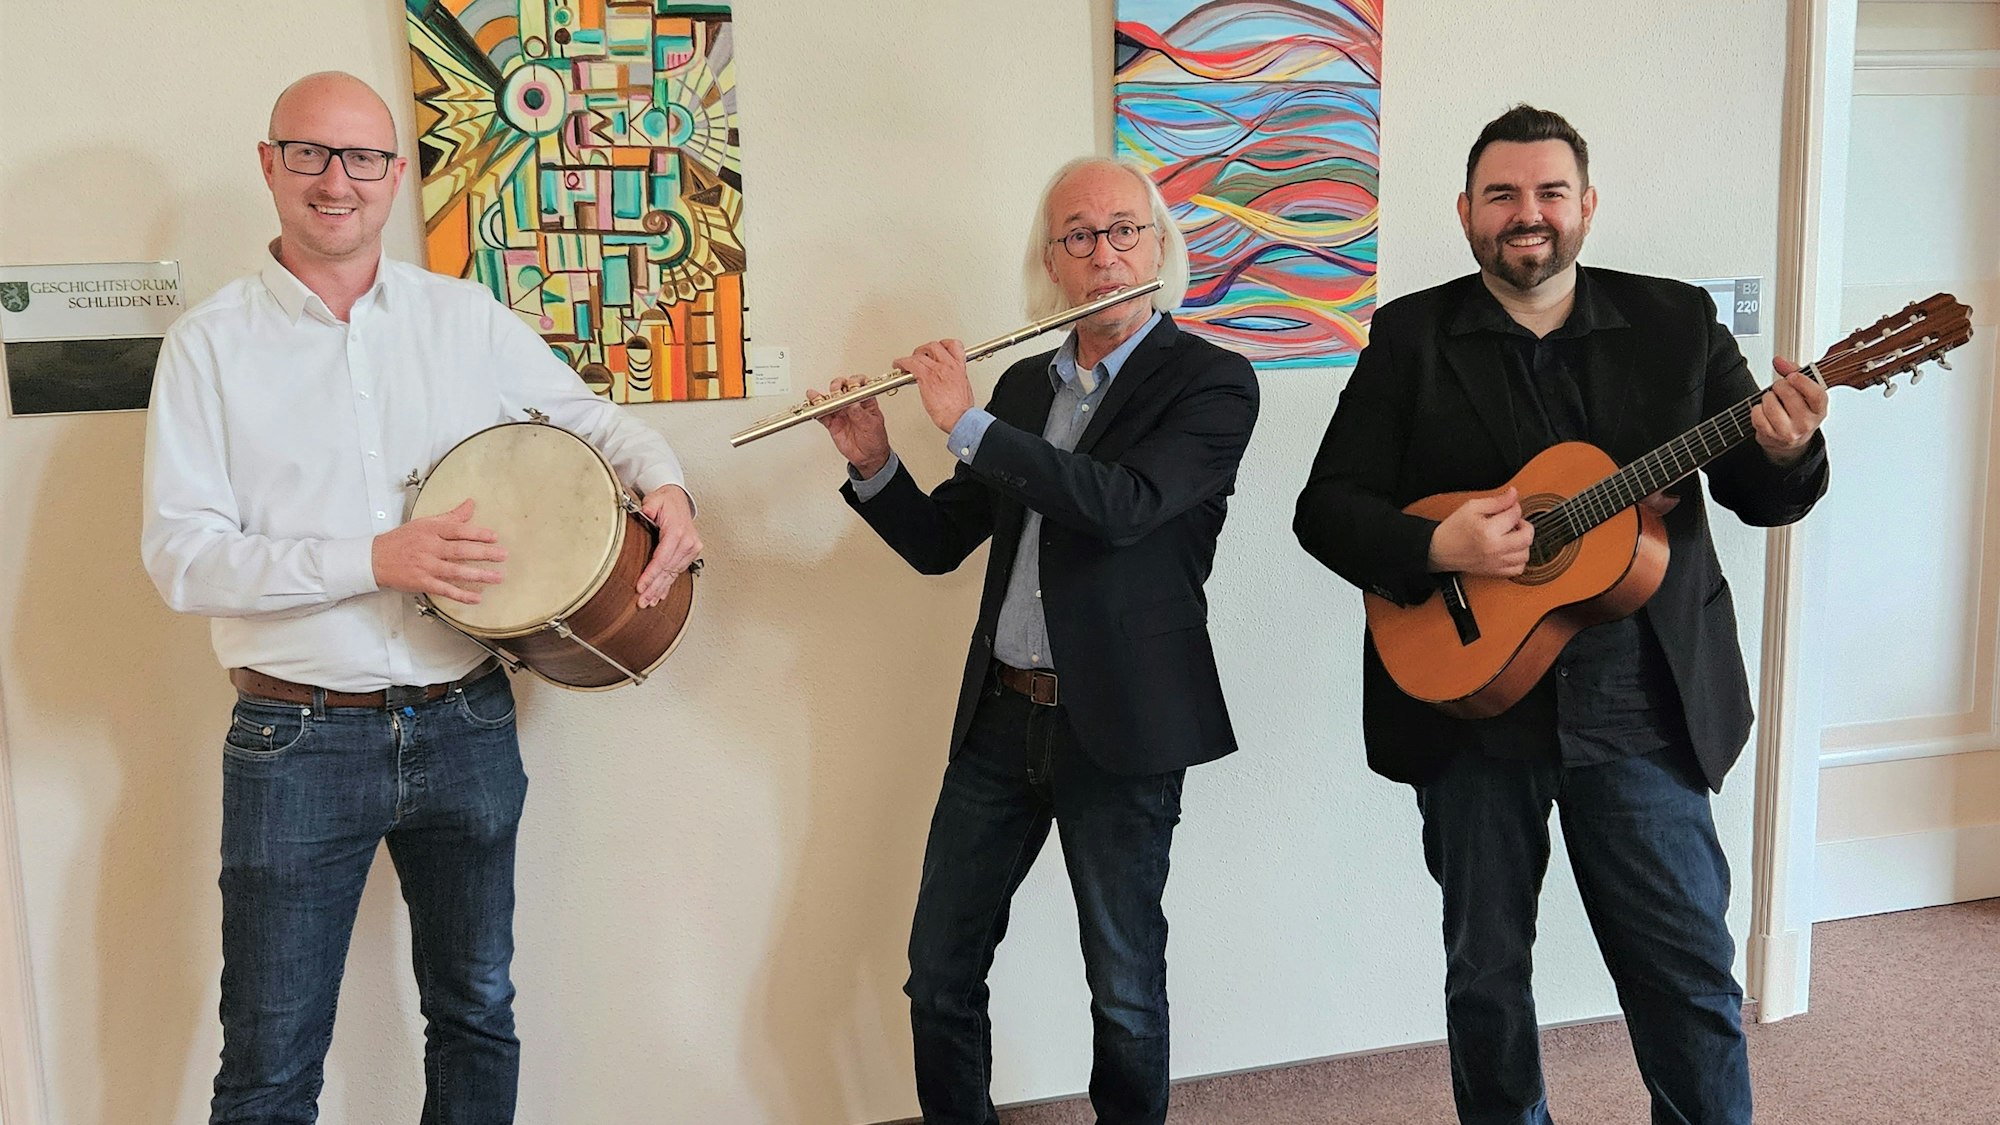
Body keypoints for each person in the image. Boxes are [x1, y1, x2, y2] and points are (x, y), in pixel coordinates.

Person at [140, 71, 699, 1124]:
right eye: (310, 153)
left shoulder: (463, 317)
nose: (335, 181)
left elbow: (588, 417)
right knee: (269, 1059)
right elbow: (182, 558)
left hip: (466, 718)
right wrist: (374, 558)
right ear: (269, 165)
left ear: (397, 175)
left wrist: (662, 479)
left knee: (477, 1012)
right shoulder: (208, 347)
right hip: (294, 739)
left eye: (361, 158)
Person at [1293, 104, 1829, 1125]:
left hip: (1640, 705)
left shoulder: (1676, 324)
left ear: (1584, 206)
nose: (1524, 214)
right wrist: (1435, 545)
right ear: (1464, 211)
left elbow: (1761, 500)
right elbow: (1325, 511)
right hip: (1471, 712)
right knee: (1485, 979)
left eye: (1546, 192)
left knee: (1684, 973)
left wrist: (1785, 446)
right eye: (1500, 194)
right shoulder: (1411, 335)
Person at [807, 156, 1257, 1124]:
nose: (1103, 256)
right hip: (1001, 719)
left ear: (1158, 245)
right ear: (1050, 264)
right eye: (1078, 238)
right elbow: (940, 544)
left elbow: (1124, 507)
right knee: (937, 974)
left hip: (1123, 727)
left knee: (1123, 992)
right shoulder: (1019, 387)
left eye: (1123, 231)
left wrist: (963, 423)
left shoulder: (1211, 384)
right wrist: (878, 465)